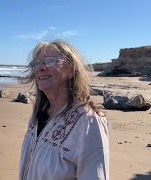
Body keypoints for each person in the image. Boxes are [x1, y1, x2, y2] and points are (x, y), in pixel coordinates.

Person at [19, 40, 109, 180]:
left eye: (50, 61)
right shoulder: (37, 116)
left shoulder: (88, 122)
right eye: (36, 63)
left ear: (70, 71)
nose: (40, 68)